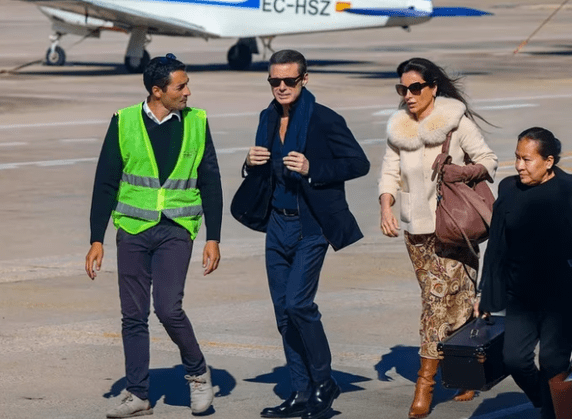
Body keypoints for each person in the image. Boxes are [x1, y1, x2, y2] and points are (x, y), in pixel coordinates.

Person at [84, 53, 223, 418]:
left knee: (167, 308)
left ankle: (197, 373)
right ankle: (138, 394)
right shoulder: (124, 120)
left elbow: (210, 181)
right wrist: (96, 238)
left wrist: (214, 236)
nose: (188, 92)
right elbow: (106, 181)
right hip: (132, 228)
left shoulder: (197, 122)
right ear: (157, 91)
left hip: (177, 228)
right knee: (132, 315)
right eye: (181, 86)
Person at [241, 49, 370, 419]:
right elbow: (262, 171)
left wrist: (314, 167)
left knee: (299, 304)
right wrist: (249, 164)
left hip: (311, 224)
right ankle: (300, 392)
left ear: (304, 79)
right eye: (274, 81)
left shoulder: (325, 119)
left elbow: (358, 163)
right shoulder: (267, 117)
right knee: (283, 314)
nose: (281, 87)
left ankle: (323, 381)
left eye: (289, 81)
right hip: (276, 224)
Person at [378, 57, 498, 419]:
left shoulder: (454, 123)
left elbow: (488, 161)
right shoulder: (399, 126)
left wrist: (459, 171)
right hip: (416, 232)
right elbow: (389, 169)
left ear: (432, 88)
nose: (409, 95)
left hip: (453, 226)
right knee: (452, 298)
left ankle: (425, 384)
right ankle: (464, 372)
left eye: (416, 87)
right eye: (403, 89)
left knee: (436, 303)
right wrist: (386, 206)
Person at [478, 127, 572, 419]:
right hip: (520, 294)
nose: (519, 165)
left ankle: (554, 412)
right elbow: (496, 246)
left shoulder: (569, 190)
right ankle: (546, 402)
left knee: (552, 360)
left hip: (561, 296)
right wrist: (485, 295)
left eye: (527, 159)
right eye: (517, 157)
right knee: (514, 359)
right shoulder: (508, 189)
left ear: (549, 161)